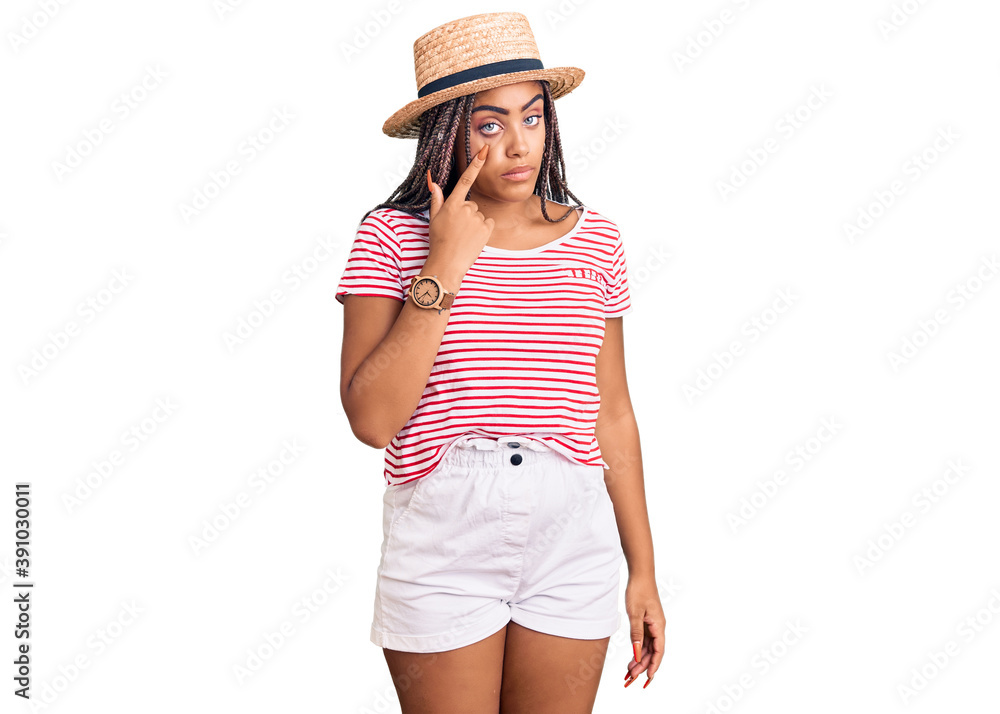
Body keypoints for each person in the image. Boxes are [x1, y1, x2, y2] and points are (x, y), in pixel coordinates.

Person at [336, 12, 665, 712]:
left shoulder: (596, 242)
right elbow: (371, 419)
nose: (518, 145)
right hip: (445, 532)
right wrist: (448, 260)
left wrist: (644, 570)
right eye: (489, 125)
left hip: (572, 531)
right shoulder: (392, 237)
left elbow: (612, 412)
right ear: (448, 132)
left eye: (532, 118)